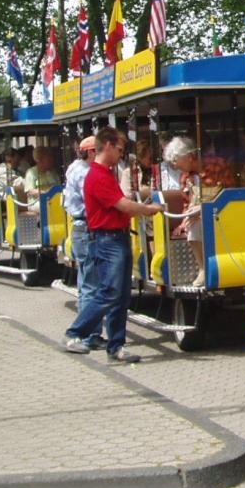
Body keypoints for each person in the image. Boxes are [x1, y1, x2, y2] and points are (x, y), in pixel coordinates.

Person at [63, 127, 164, 363]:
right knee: (110, 291)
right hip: (108, 240)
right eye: (119, 149)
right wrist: (148, 209)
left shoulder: (105, 173)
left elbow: (122, 204)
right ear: (107, 145)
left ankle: (116, 346)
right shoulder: (98, 175)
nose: (121, 154)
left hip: (116, 237)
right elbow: (123, 205)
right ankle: (75, 333)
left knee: (120, 296)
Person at [62, 135, 104, 349]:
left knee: (87, 283)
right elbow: (94, 201)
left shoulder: (74, 169)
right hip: (86, 228)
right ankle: (89, 335)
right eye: (100, 150)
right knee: (90, 285)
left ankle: (89, 332)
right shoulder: (84, 173)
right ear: (90, 152)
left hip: (81, 228)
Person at [161, 136, 205, 285]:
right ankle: (202, 268)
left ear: (189, 157)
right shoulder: (185, 178)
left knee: (196, 224)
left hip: (219, 213)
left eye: (176, 160)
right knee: (191, 225)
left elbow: (222, 193)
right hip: (197, 217)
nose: (174, 165)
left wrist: (202, 209)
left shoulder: (213, 167)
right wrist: (185, 218)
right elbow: (187, 203)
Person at [23, 146, 60, 213]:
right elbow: (30, 191)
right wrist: (46, 193)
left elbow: (58, 187)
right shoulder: (31, 172)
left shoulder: (53, 172)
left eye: (51, 157)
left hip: (54, 200)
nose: (51, 160)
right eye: (48, 158)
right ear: (39, 160)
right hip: (36, 202)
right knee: (49, 206)